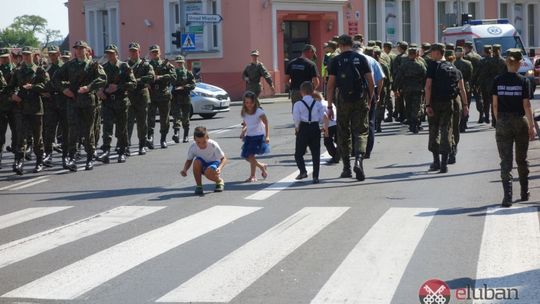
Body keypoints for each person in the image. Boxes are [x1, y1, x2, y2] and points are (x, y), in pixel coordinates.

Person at [52, 40, 107, 171]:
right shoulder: (69, 65)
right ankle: (71, 157)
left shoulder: (93, 65)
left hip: (88, 102)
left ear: (87, 50)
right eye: (77, 48)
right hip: (73, 102)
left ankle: (89, 158)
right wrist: (64, 90)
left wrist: (89, 87)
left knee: (88, 132)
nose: (79, 51)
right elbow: (55, 78)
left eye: (82, 48)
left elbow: (103, 78)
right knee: (73, 131)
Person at [326, 34, 374, 181]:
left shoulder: (335, 60)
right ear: (352, 44)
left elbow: (330, 86)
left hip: (343, 100)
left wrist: (329, 106)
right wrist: (370, 98)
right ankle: (358, 160)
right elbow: (371, 82)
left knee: (343, 132)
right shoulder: (361, 58)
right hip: (360, 99)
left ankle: (346, 168)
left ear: (340, 46)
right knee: (361, 131)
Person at [492, 49, 536, 207]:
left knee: (506, 160)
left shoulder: (497, 80)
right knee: (522, 159)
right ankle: (524, 192)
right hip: (520, 121)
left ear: (506, 62)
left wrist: (499, 121)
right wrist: (532, 126)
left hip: (503, 120)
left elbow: (495, 104)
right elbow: (527, 105)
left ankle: (507, 197)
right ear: (519, 63)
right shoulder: (524, 81)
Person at [424, 43, 468, 173]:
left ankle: (436, 161)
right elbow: (462, 89)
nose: (430, 55)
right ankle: (444, 163)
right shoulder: (454, 68)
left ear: (437, 52)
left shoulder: (433, 66)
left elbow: (428, 86)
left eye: (431, 52)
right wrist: (465, 105)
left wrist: (427, 104)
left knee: (434, 130)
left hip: (435, 103)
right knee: (446, 131)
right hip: (449, 103)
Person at [7, 46, 49, 175]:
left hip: (36, 109)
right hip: (22, 108)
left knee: (37, 138)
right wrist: (13, 95)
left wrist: (34, 87)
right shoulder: (18, 71)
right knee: (21, 136)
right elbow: (10, 87)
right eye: (23, 55)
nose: (25, 57)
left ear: (33, 55)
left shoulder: (40, 71)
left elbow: (48, 86)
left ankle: (39, 162)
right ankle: (19, 162)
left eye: (27, 54)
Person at [96, 44, 136, 164]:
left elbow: (133, 83)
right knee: (107, 128)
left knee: (121, 128)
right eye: (108, 53)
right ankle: (106, 151)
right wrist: (99, 91)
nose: (109, 55)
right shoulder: (103, 67)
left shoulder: (124, 66)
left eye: (112, 53)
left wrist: (118, 87)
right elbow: (97, 82)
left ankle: (122, 151)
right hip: (107, 102)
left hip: (121, 101)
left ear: (117, 54)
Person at [293, 81, 328, 184]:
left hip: (303, 127)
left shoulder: (298, 104)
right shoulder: (317, 103)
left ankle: (303, 171)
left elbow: (296, 118)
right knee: (315, 154)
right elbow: (322, 118)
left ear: (301, 92)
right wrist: (322, 127)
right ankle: (315, 177)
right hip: (314, 127)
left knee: (299, 153)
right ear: (313, 91)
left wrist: (297, 128)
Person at [42, 45, 69, 169]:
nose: (52, 56)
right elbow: (44, 83)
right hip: (51, 103)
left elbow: (70, 82)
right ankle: (48, 154)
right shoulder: (47, 68)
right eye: (50, 54)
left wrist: (56, 87)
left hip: (63, 101)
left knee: (65, 130)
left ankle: (66, 155)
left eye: (54, 54)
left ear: (58, 54)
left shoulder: (65, 67)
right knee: (49, 130)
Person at [180, 126, 227, 195]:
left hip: (214, 163)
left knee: (208, 172)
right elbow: (189, 160)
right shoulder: (193, 147)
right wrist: (185, 170)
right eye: (198, 142)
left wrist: (220, 168)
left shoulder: (213, 145)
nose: (202, 145)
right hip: (202, 164)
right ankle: (199, 186)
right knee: (196, 161)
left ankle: (219, 181)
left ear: (207, 138)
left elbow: (223, 158)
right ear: (194, 139)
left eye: (204, 142)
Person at [127, 42, 155, 155]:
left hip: (142, 95)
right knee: (127, 122)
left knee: (142, 122)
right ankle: (126, 145)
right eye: (131, 51)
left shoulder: (146, 65)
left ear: (139, 51)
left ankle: (142, 145)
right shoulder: (125, 65)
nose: (133, 53)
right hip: (129, 95)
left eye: (135, 50)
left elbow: (151, 77)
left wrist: (137, 80)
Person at [147, 44, 176, 149]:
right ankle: (150, 138)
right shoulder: (147, 65)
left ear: (159, 52)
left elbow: (173, 76)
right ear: (150, 53)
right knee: (150, 118)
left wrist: (160, 77)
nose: (155, 53)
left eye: (156, 51)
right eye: (153, 52)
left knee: (165, 118)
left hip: (163, 94)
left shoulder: (166, 64)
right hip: (151, 94)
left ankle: (163, 139)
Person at [394, 47, 427, 134]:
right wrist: (425, 88)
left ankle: (412, 124)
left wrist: (396, 88)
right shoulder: (421, 65)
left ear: (409, 54)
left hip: (407, 89)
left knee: (408, 106)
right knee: (417, 107)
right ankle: (416, 123)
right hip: (418, 89)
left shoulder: (404, 65)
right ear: (417, 54)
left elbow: (398, 78)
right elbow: (425, 77)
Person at [444, 49, 468, 165]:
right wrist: (465, 105)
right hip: (456, 100)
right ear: (453, 58)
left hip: (443, 101)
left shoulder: (438, 70)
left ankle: (449, 148)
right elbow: (462, 89)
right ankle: (454, 148)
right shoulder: (457, 71)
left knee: (447, 127)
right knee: (455, 127)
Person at [239, 91, 269, 182]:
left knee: (251, 156)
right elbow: (246, 124)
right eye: (246, 102)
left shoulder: (259, 112)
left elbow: (266, 123)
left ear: (254, 102)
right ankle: (262, 166)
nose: (248, 104)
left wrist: (267, 136)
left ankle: (253, 176)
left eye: (250, 102)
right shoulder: (244, 112)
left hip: (258, 137)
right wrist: (243, 131)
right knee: (247, 156)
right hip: (249, 136)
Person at [171, 55, 195, 143]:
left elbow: (193, 85)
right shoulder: (173, 73)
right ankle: (176, 134)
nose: (179, 64)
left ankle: (185, 136)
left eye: (181, 62)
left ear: (183, 62)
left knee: (186, 117)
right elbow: (170, 82)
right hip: (176, 97)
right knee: (176, 116)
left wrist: (183, 87)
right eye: (178, 62)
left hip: (185, 97)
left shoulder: (188, 73)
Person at [0, 48, 16, 170]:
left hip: (15, 107)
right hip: (2, 106)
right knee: (1, 134)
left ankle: (17, 157)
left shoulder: (16, 70)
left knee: (17, 132)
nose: (4, 59)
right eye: (2, 57)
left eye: (6, 57)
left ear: (10, 56)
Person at [315, 91, 339, 164]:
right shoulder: (328, 103)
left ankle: (335, 156)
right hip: (336, 123)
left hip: (329, 125)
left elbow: (325, 117)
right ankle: (339, 154)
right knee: (338, 140)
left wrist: (326, 130)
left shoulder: (319, 105)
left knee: (327, 142)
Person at [454, 46, 473, 132]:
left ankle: (457, 123)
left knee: (457, 106)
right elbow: (470, 75)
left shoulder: (452, 63)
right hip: (465, 85)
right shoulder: (468, 63)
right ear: (463, 53)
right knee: (466, 105)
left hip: (454, 86)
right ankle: (463, 123)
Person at [463, 41, 483, 123]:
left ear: (467, 47)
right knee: (479, 98)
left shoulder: (466, 57)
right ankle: (481, 115)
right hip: (477, 81)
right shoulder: (478, 56)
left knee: (467, 100)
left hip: (469, 81)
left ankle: (465, 118)